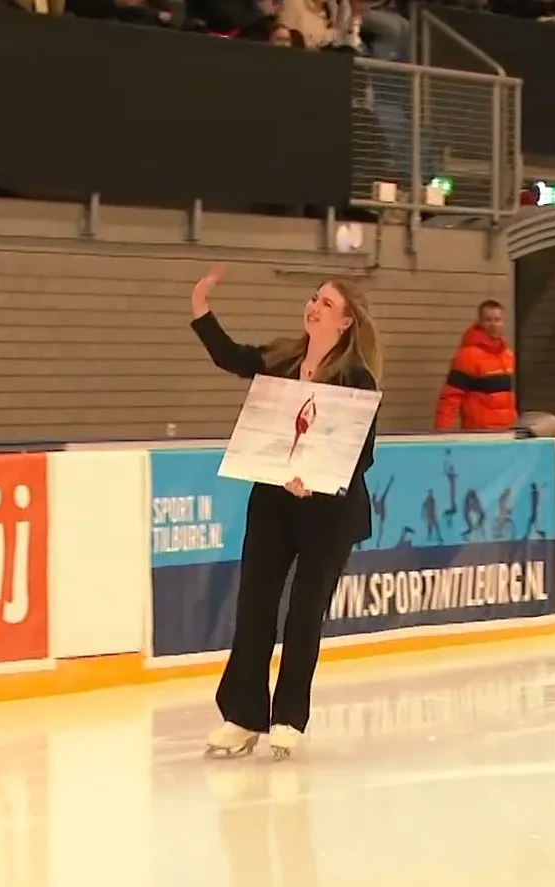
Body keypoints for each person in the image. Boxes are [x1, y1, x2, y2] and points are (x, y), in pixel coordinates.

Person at [189, 263, 383, 760]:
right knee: (254, 605)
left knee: (303, 615)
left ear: (345, 323)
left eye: (326, 304)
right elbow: (232, 357)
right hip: (274, 500)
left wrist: (314, 478)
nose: (313, 307)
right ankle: (242, 715)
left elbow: (361, 454)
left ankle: (289, 718)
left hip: (329, 511)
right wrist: (202, 310)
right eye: (314, 298)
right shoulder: (280, 359)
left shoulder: (357, 379)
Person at [434, 300, 518, 431]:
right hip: (479, 432)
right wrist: (441, 432)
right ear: (480, 323)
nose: (493, 325)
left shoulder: (507, 355)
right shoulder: (467, 356)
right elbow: (450, 398)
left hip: (507, 431)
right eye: (488, 320)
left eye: (497, 320)